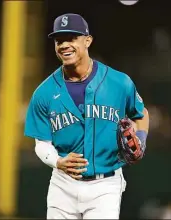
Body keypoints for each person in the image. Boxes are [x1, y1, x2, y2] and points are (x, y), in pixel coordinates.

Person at [24, 13, 149, 219]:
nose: (64, 45)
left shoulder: (119, 82)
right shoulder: (43, 93)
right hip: (62, 184)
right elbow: (41, 143)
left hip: (105, 184)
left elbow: (141, 113)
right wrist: (56, 161)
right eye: (59, 40)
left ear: (88, 40)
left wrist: (141, 139)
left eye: (71, 38)